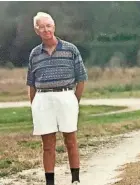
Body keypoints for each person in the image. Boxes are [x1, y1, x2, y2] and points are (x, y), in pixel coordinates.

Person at [26, 12, 88, 185]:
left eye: (49, 26)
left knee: (70, 139)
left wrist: (74, 100)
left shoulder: (70, 49)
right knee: (48, 144)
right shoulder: (34, 54)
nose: (46, 30)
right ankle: (50, 182)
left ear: (54, 27)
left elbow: (81, 78)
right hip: (43, 98)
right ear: (36, 30)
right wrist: (34, 104)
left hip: (66, 95)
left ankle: (75, 179)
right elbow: (31, 83)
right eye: (42, 27)